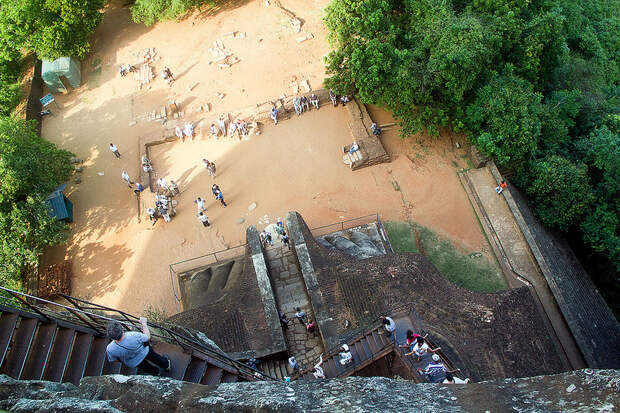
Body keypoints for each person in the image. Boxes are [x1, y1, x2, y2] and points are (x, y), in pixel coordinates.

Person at [105, 319, 171, 376]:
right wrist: (144, 324)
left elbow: (114, 360)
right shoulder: (132, 335)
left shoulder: (110, 349)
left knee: (147, 368)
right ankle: (166, 365)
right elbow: (147, 337)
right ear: (121, 329)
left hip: (134, 361)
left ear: (111, 337)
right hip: (145, 351)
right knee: (156, 358)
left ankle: (157, 373)